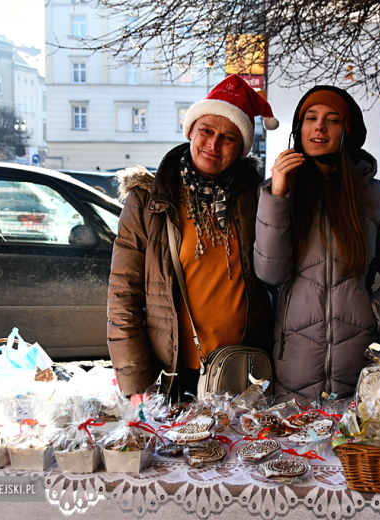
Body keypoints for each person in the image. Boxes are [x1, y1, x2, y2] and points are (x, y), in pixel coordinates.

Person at [107, 74, 277, 402]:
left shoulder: (257, 198)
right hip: (172, 375)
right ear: (191, 132)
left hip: (242, 370)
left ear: (241, 149)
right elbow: (122, 294)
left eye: (228, 138)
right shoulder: (148, 201)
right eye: (207, 131)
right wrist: (136, 380)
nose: (213, 144)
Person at [254, 85, 380, 402]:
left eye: (333, 120)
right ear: (299, 129)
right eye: (310, 118)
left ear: (348, 132)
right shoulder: (277, 193)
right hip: (294, 362)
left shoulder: (378, 196)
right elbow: (269, 272)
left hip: (364, 361)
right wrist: (277, 195)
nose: (319, 127)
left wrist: (374, 315)